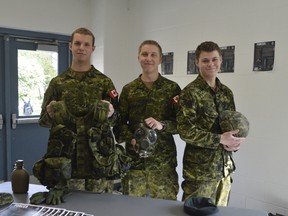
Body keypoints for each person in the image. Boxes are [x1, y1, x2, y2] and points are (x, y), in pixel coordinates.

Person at [33, 27, 122, 205]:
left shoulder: (104, 82)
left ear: (93, 49)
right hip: (66, 161)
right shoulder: (57, 83)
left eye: (86, 44)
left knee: (100, 207)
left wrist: (111, 113)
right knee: (69, 207)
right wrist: (50, 114)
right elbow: (43, 121)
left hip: (97, 159)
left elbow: (117, 119)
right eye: (78, 43)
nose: (81, 47)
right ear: (70, 46)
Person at [176, 41, 246, 206]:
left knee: (221, 213)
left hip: (224, 169)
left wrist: (234, 143)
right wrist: (220, 139)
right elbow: (185, 131)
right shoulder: (190, 93)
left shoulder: (226, 93)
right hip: (200, 173)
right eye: (205, 60)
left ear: (221, 60)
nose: (211, 64)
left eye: (214, 59)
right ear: (197, 62)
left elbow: (232, 126)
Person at [113, 40, 181, 200]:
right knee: (134, 210)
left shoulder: (172, 89)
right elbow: (118, 124)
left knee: (165, 210)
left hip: (163, 164)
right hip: (135, 164)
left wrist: (162, 125)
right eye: (144, 54)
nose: (148, 58)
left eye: (153, 55)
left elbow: (181, 124)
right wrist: (132, 139)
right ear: (138, 58)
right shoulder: (129, 90)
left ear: (160, 59)